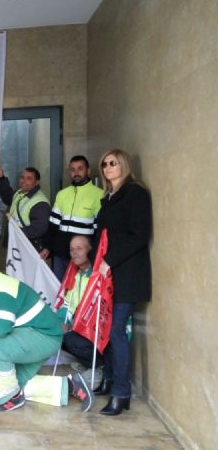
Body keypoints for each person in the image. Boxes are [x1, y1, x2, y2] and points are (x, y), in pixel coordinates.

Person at [0, 254, 92, 412]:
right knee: (12, 384)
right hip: (34, 335)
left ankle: (10, 400)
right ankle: (70, 385)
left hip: (43, 336)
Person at [94, 149, 152, 416]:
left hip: (127, 274)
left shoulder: (136, 193)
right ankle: (108, 378)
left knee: (116, 330)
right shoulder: (108, 198)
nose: (107, 167)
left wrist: (110, 260)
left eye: (113, 163)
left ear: (124, 165)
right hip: (106, 273)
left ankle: (121, 392)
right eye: (104, 164)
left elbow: (139, 235)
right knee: (105, 328)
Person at [42, 156, 104, 280]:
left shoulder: (99, 194)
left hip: (83, 255)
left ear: (88, 171)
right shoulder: (62, 194)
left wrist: (95, 255)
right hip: (60, 252)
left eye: (80, 169)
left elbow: (99, 230)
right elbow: (53, 225)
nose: (76, 173)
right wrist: (47, 247)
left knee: (80, 292)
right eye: (72, 169)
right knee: (59, 289)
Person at [58, 235, 102, 369]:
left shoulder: (98, 276)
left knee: (70, 340)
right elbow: (68, 304)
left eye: (79, 248)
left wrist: (72, 327)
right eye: (72, 249)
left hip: (95, 333)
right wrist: (61, 321)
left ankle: (98, 366)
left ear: (90, 250)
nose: (74, 253)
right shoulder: (77, 275)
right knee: (52, 330)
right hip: (78, 328)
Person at [0, 166, 50, 252]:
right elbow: (7, 196)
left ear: (37, 182)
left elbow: (39, 229)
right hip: (16, 244)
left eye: (29, 178)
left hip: (28, 247)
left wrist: (17, 233)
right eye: (22, 177)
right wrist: (1, 179)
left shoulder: (40, 202)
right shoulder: (19, 193)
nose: (23, 181)